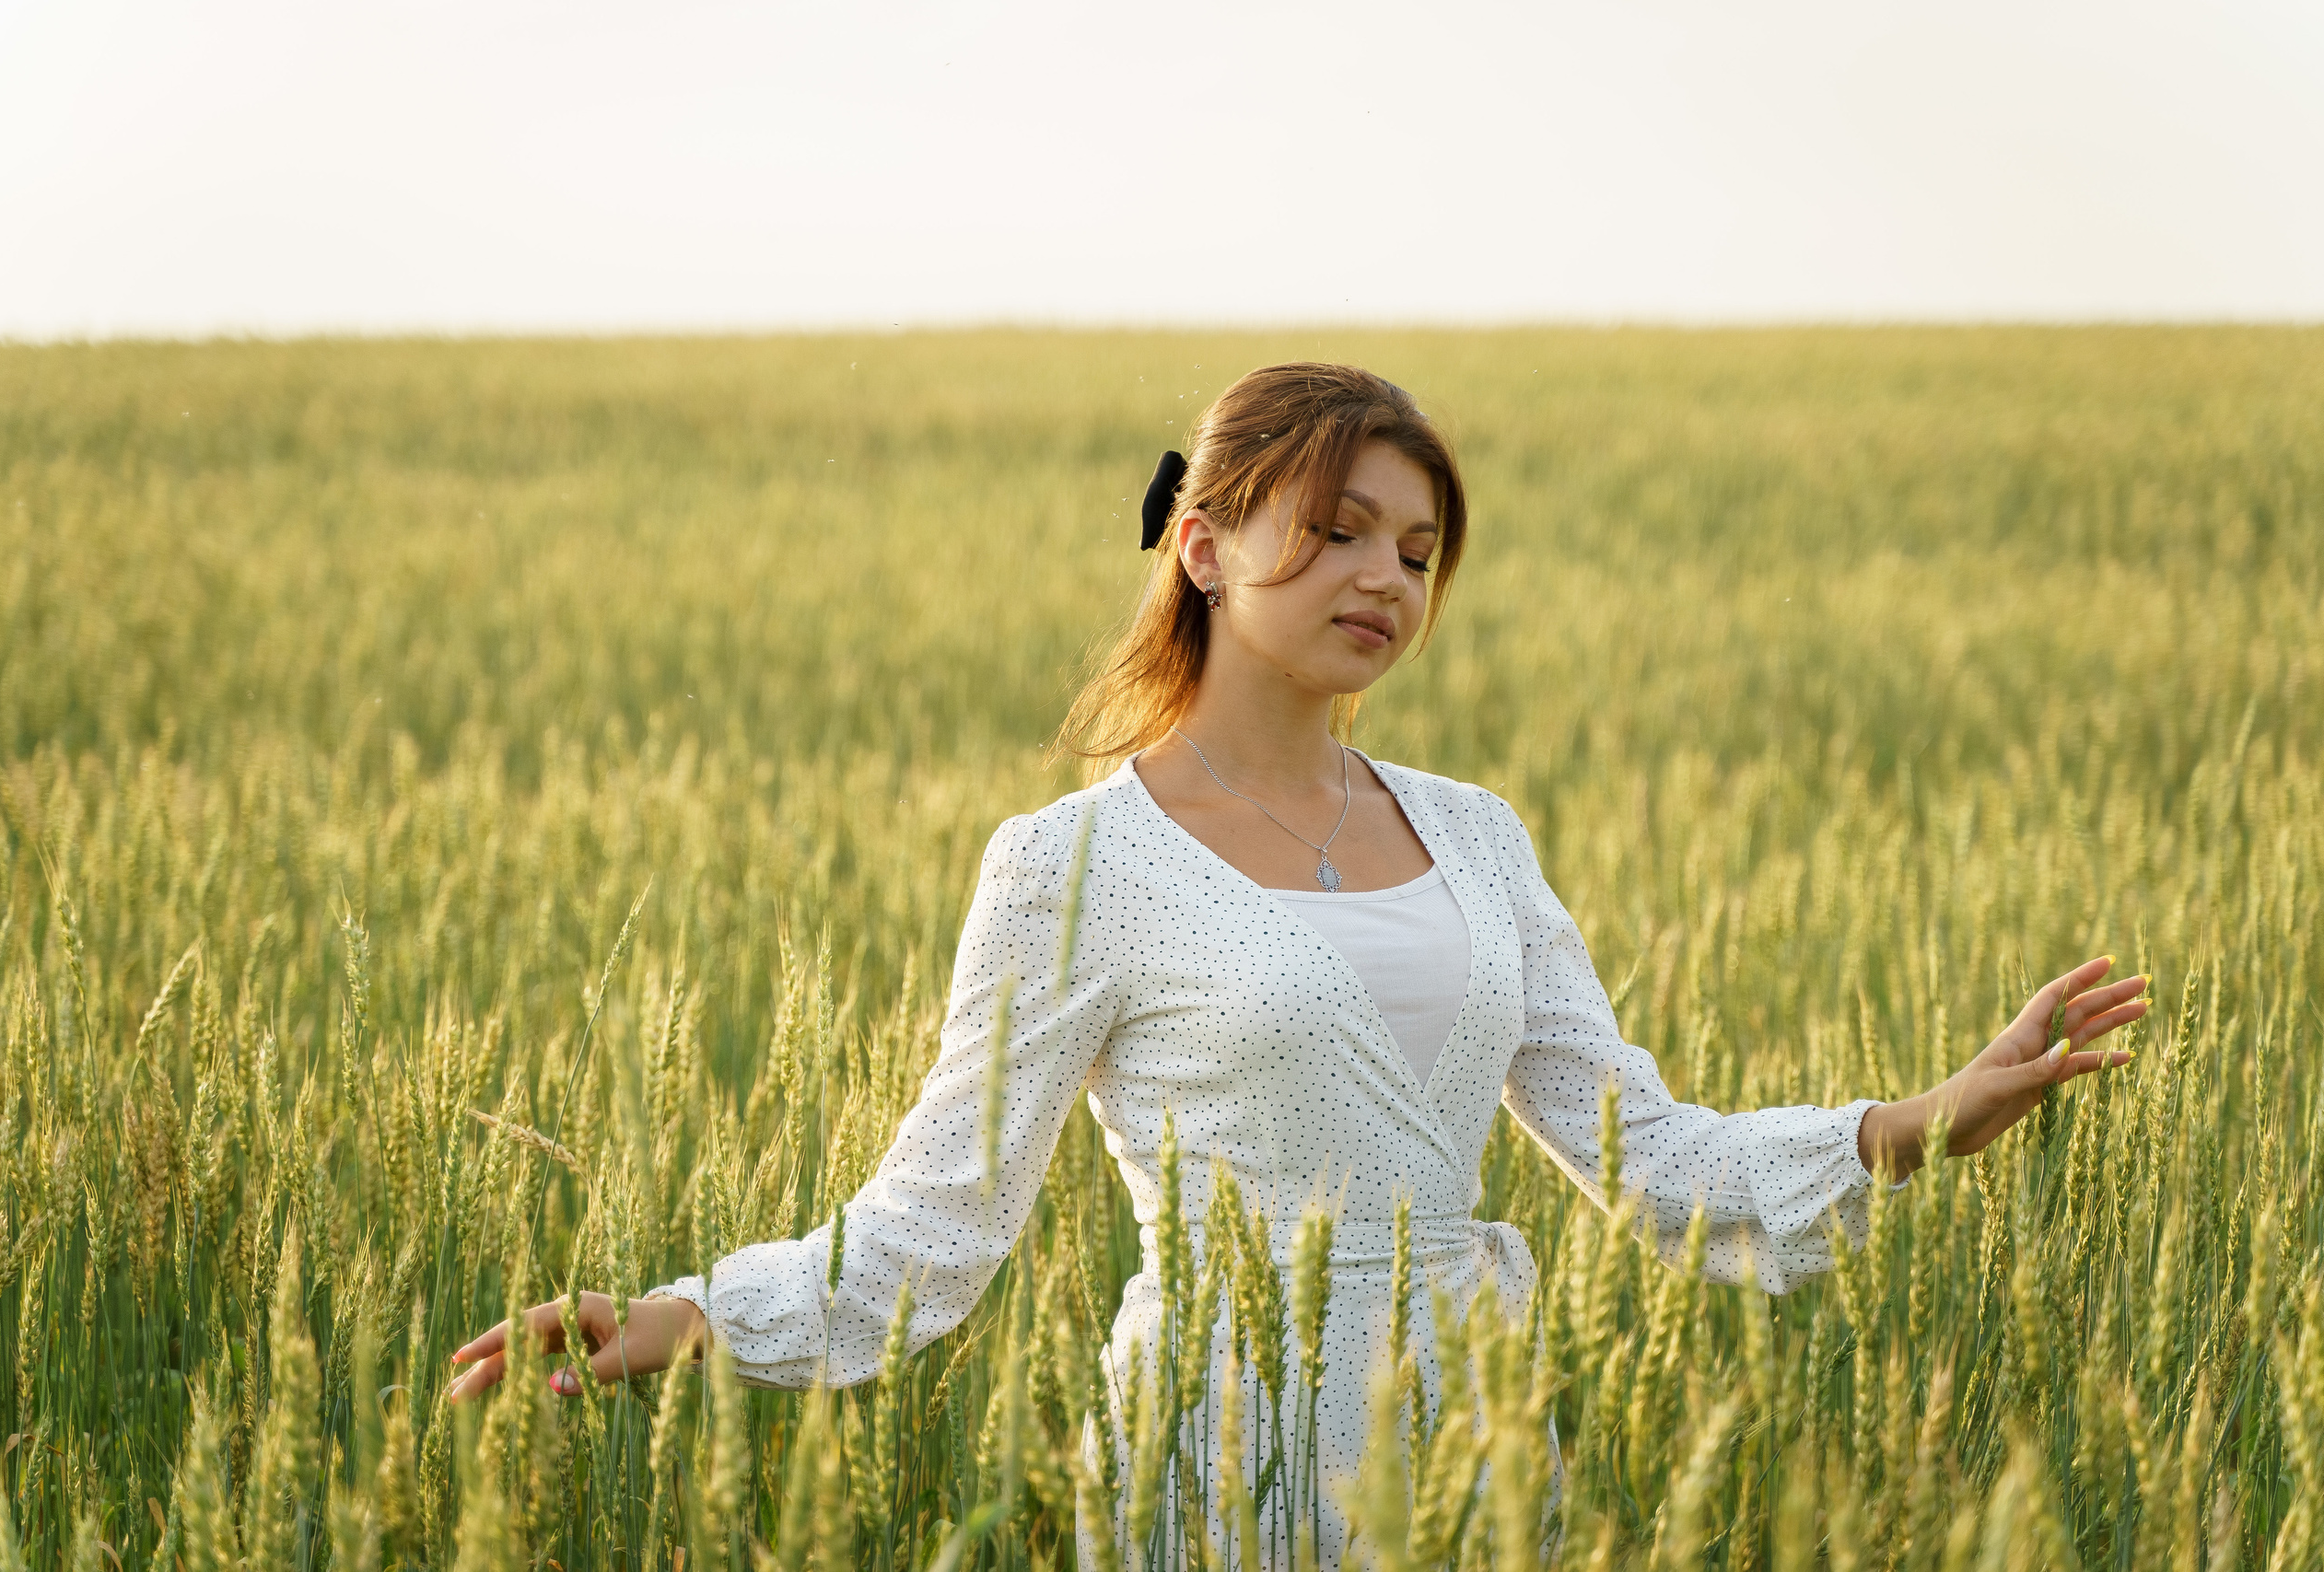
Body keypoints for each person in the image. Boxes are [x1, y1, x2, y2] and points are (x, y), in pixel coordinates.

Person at [446, 362, 2146, 1563]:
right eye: (1336, 530)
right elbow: (930, 1226)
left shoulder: (1476, 832)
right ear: (1202, 544)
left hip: (1476, 1459)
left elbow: (1647, 1155)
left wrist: (1922, 1118)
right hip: (1216, 1464)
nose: (1383, 579)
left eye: (1417, 553)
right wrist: (684, 1316)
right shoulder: (1072, 863)